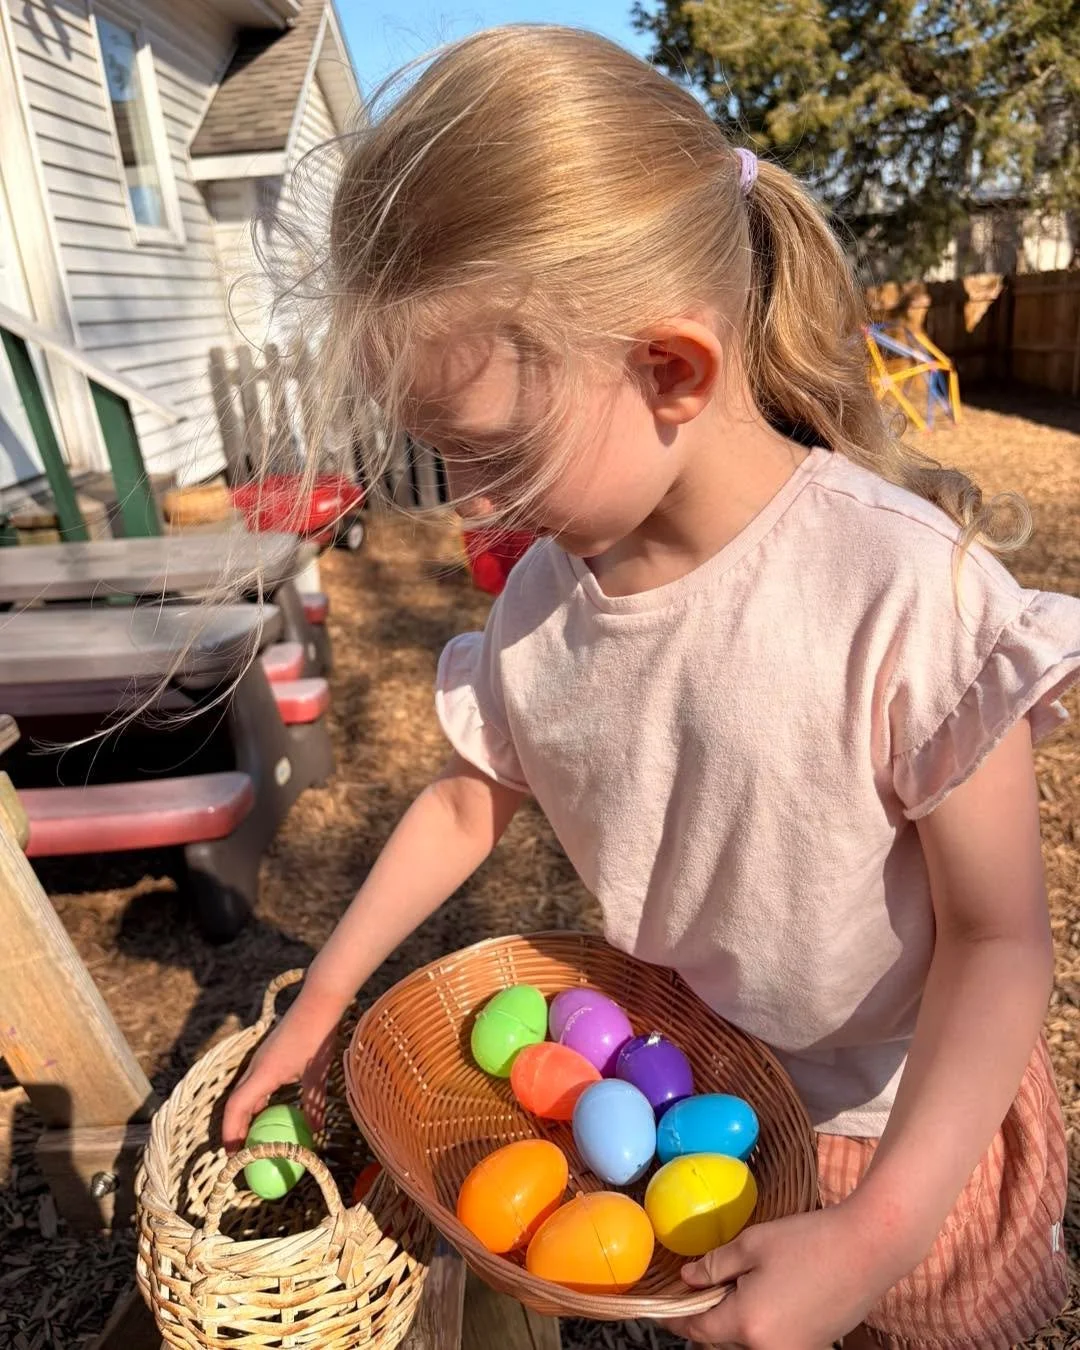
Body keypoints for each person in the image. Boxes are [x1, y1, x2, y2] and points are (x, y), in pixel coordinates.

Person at [224, 26, 1074, 1349]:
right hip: (690, 1109)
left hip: (905, 1143)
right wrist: (322, 1004)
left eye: (493, 453)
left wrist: (877, 1227)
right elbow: (468, 799)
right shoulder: (543, 600)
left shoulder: (903, 598)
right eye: (443, 456)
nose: (466, 502)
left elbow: (1000, 939)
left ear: (671, 371)